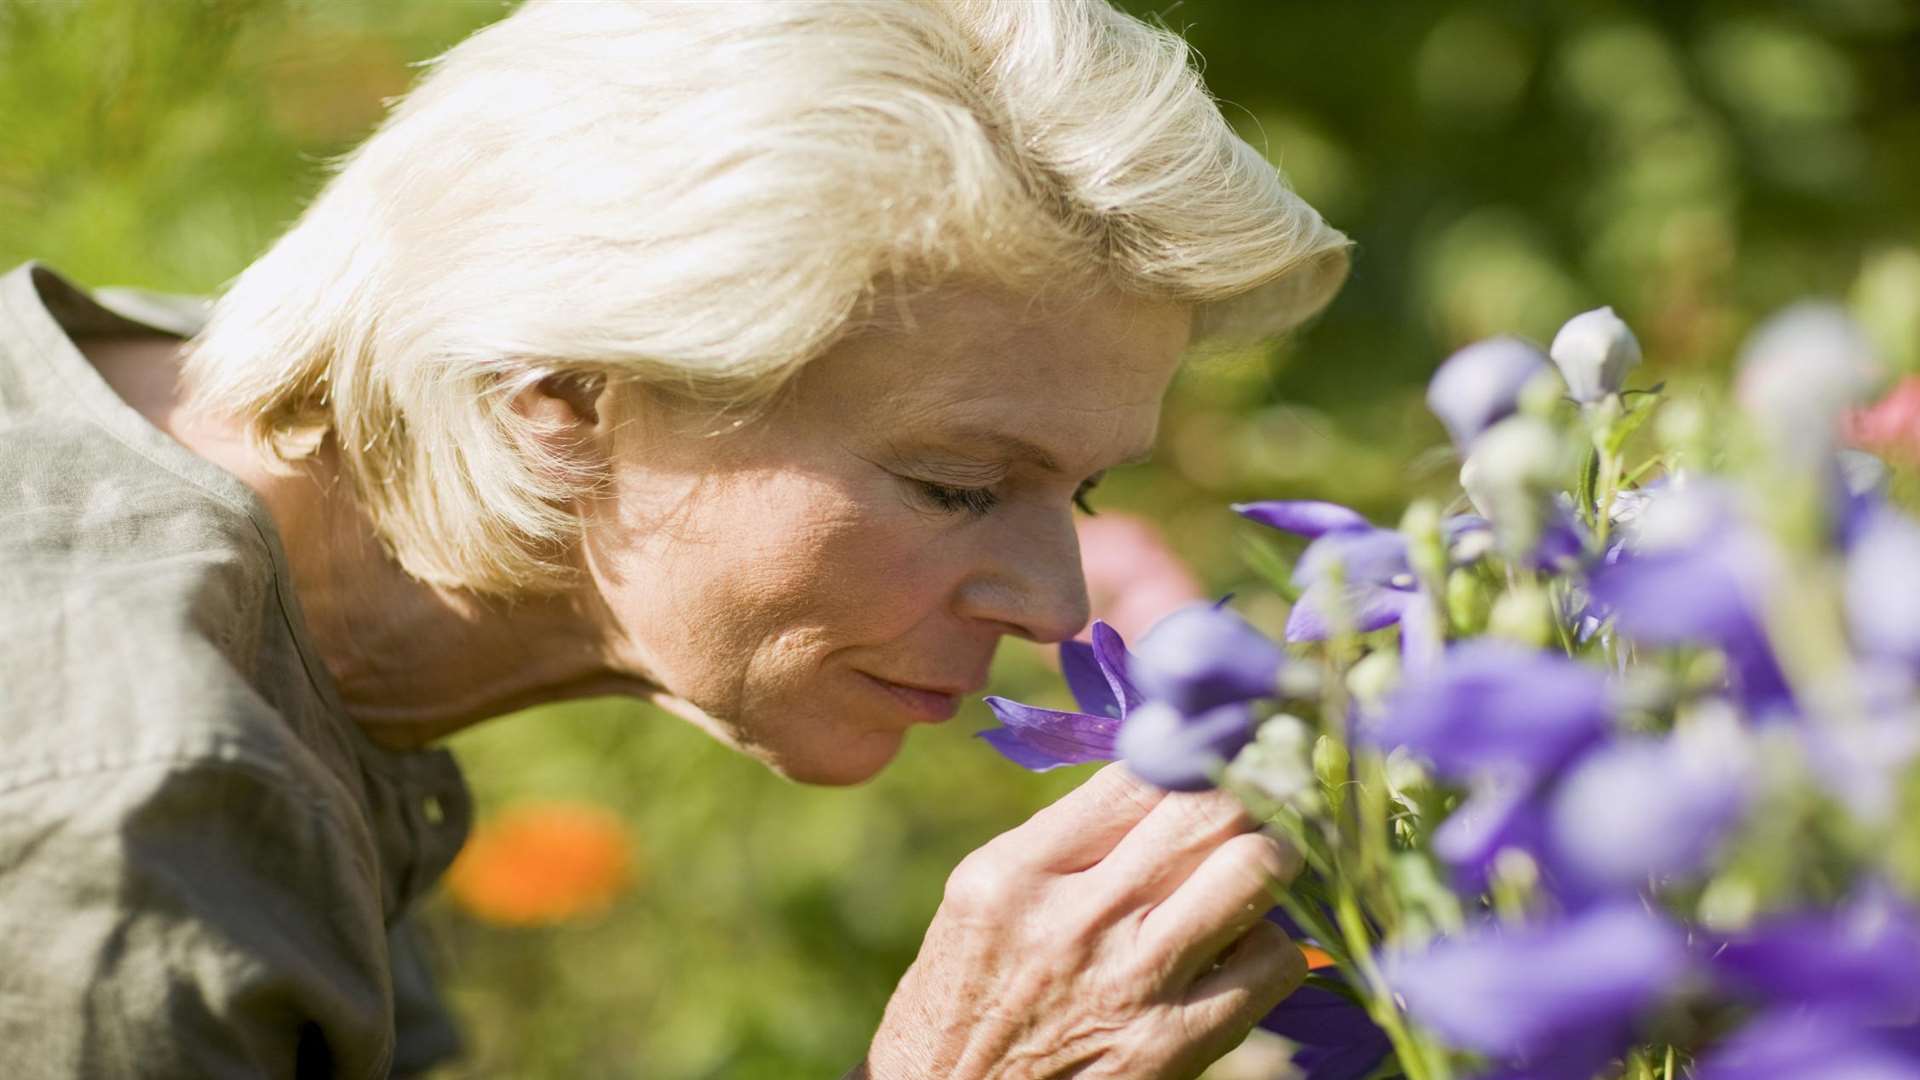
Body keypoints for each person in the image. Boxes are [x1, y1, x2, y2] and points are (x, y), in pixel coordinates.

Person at [0, 1, 1349, 1076]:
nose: (1061, 611)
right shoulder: (124, 812)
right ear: (563, 399)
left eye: (1084, 491)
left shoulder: (171, 414)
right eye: (956, 483)